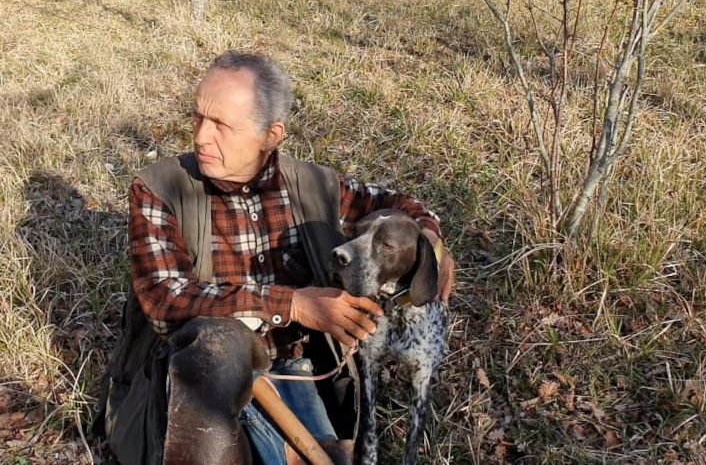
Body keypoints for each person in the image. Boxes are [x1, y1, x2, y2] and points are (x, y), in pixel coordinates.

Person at [93, 50, 455, 464]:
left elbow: (399, 206)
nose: (200, 137)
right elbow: (165, 300)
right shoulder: (160, 189)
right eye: (197, 118)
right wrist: (294, 305)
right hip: (194, 385)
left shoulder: (314, 185)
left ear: (271, 135)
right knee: (221, 342)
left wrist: (432, 238)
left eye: (221, 126)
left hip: (293, 369)